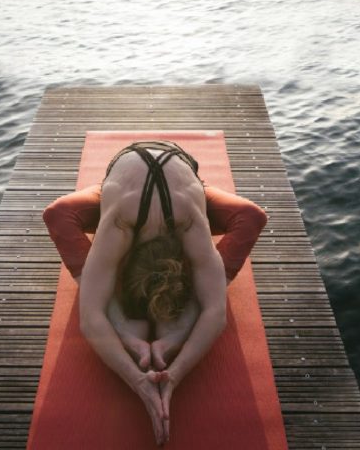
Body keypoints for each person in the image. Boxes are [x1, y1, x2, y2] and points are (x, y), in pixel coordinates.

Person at [43, 140, 267, 445]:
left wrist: (173, 362)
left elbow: (215, 314)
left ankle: (121, 288)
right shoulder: (120, 220)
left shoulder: (188, 218)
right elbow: (90, 317)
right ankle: (106, 286)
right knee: (57, 213)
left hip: (180, 185)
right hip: (125, 184)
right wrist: (138, 373)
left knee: (251, 216)